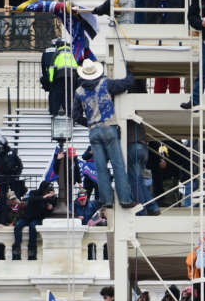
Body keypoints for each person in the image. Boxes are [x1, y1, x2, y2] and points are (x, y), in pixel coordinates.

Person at [72, 59, 137, 210]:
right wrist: (130, 72)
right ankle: (125, 199)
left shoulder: (79, 92)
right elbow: (126, 83)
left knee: (100, 168)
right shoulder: (105, 84)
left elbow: (75, 115)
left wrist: (88, 122)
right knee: (118, 165)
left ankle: (106, 200)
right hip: (109, 127)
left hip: (93, 131)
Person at [14, 181, 55, 261]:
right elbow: (32, 199)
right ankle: (17, 248)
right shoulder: (34, 193)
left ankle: (32, 250)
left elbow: (49, 210)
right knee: (18, 226)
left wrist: (50, 208)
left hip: (37, 218)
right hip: (27, 217)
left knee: (33, 227)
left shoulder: (50, 198)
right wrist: (44, 197)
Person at [44, 38, 78, 117]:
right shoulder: (71, 53)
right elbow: (76, 67)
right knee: (70, 95)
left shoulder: (58, 52)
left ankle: (55, 112)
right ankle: (70, 113)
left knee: (58, 95)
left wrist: (51, 80)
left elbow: (52, 67)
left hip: (60, 76)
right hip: (72, 77)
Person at [0, 136, 26, 202]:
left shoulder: (12, 153)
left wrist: (16, 175)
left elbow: (20, 165)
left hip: (13, 181)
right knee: (2, 199)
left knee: (15, 198)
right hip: (1, 182)